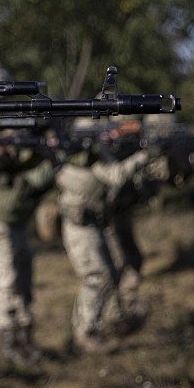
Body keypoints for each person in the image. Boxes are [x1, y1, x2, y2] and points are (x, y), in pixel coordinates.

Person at [55, 119, 161, 354]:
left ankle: (106, 321)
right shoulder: (84, 158)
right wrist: (144, 156)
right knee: (99, 277)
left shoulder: (92, 156)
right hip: (80, 225)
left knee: (111, 274)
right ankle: (85, 334)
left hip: (94, 223)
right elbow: (116, 175)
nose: (108, 138)